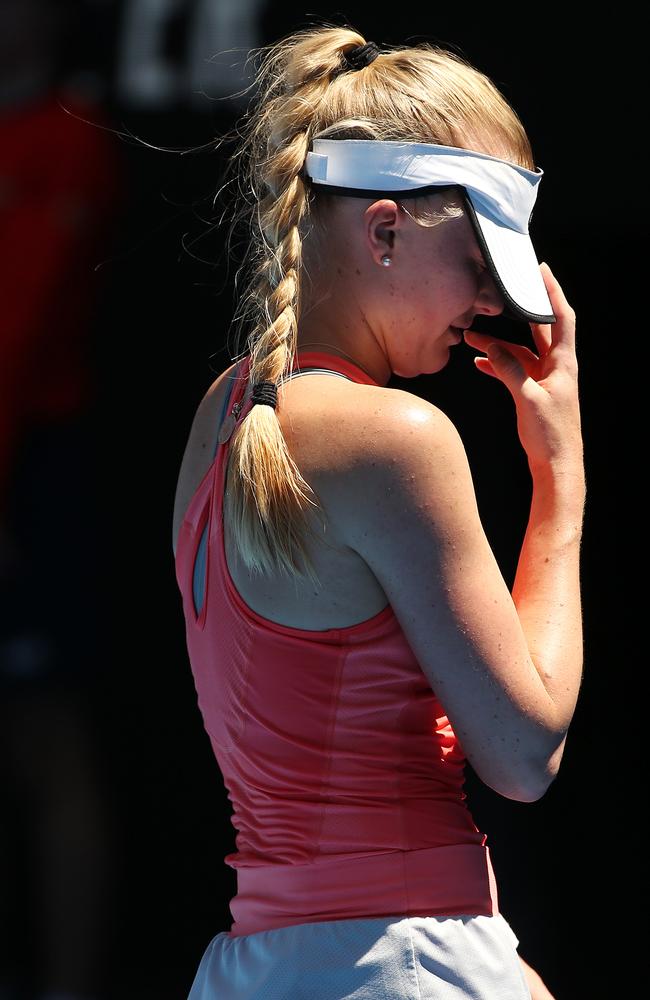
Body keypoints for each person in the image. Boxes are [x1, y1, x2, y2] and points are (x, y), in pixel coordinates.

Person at [171, 24, 584, 1000]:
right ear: (385, 230)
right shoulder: (397, 436)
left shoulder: (221, 412)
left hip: (250, 969)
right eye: (479, 259)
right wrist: (560, 481)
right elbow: (523, 754)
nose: (488, 299)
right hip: (396, 963)